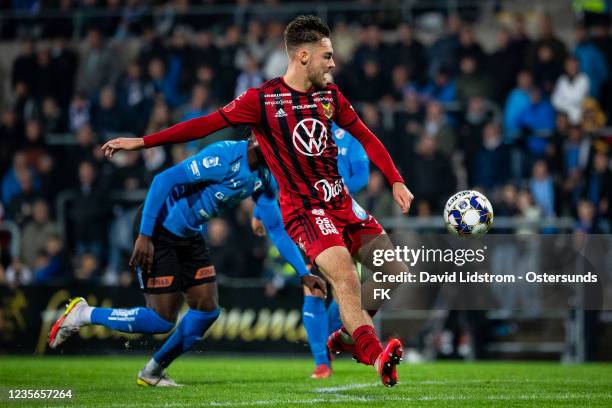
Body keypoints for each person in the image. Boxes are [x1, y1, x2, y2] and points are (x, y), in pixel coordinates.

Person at [101, 15, 414, 387]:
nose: (333, 64)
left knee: (395, 271)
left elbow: (367, 136)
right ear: (303, 56)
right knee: (345, 275)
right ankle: (375, 354)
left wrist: (395, 180)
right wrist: (143, 141)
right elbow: (205, 123)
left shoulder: (330, 97)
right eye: (327, 56)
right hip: (306, 211)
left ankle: (348, 336)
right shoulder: (262, 100)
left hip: (341, 202)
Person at [48, 137, 326, 387]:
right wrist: (145, 234)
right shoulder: (223, 157)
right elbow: (163, 180)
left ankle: (153, 370)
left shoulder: (265, 177)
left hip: (189, 234)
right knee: (160, 320)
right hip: (158, 229)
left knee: (207, 310)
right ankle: (83, 314)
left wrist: (303, 272)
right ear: (258, 138)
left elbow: (276, 228)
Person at [252, 121, 370, 379]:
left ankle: (329, 339)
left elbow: (363, 173)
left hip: (341, 216)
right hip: (309, 217)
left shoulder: (348, 137)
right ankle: (321, 361)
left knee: (346, 292)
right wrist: (258, 209)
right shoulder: (298, 131)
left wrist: (347, 186)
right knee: (314, 286)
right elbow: (275, 171)